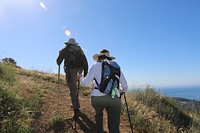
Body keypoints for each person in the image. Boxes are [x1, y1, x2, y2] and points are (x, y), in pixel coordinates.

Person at [77, 49, 128, 133]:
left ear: (99, 57)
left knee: (99, 113)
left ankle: (99, 129)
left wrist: (80, 78)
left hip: (97, 98)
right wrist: (121, 91)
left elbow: (86, 83)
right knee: (114, 125)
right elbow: (125, 86)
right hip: (113, 97)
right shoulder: (116, 67)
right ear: (109, 58)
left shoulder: (95, 66)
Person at [57, 38, 88, 119]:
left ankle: (76, 110)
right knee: (75, 89)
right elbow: (85, 61)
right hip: (80, 70)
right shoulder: (79, 49)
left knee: (73, 90)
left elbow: (58, 62)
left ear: (67, 43)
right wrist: (85, 72)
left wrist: (62, 52)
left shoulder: (65, 49)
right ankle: (76, 105)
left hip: (71, 71)